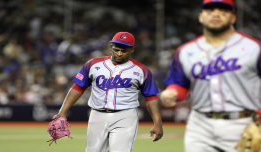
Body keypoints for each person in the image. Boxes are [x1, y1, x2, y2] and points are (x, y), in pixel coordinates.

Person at [160, 0, 261, 152]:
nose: (216, 14)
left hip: (243, 122)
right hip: (199, 125)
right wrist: (172, 92)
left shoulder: (254, 48)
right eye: (210, 10)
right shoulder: (185, 51)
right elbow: (180, 83)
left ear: (233, 18)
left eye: (223, 11)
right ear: (201, 16)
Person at [57, 32, 163, 152]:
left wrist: (158, 123)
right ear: (110, 47)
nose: (119, 53)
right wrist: (62, 112)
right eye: (116, 49)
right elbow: (78, 87)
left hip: (125, 115)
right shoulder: (93, 64)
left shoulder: (142, 70)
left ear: (132, 49)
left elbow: (151, 97)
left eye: (124, 51)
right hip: (97, 114)